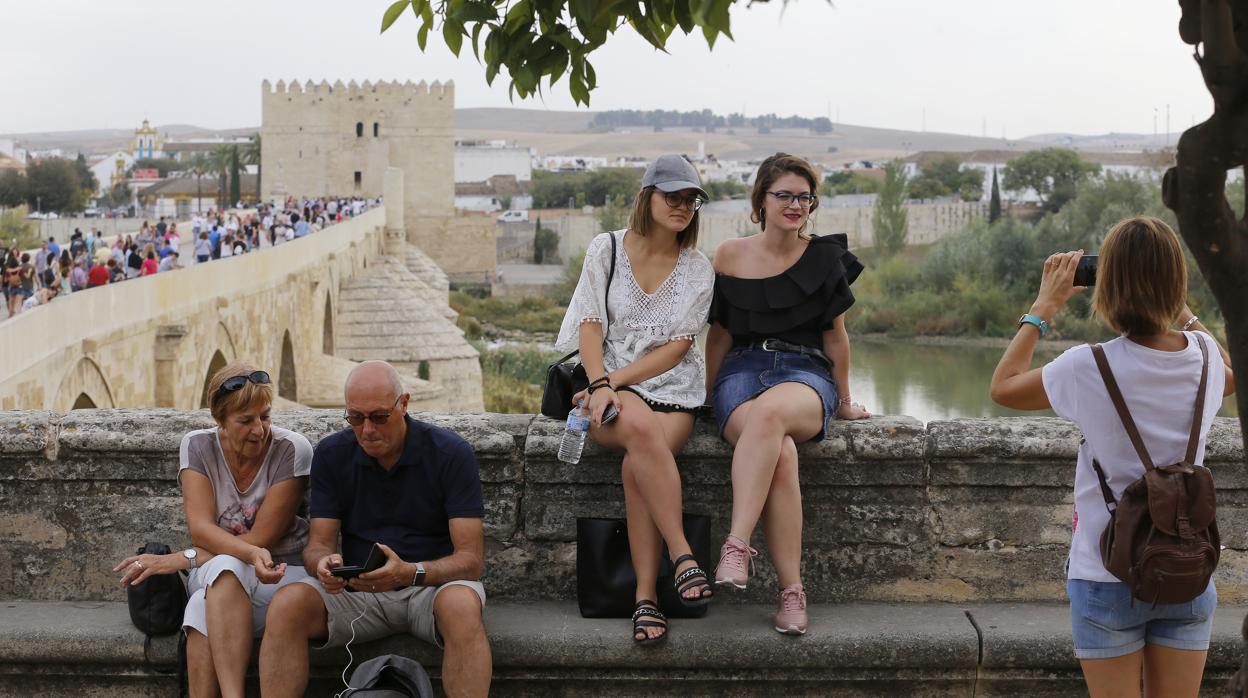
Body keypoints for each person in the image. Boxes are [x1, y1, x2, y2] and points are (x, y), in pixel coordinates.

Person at [989, 216, 1235, 698]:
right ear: (1176, 280)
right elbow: (1232, 370)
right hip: (1186, 566)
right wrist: (1183, 312)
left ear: (1108, 284)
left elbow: (1003, 387)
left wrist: (1043, 306)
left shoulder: (1088, 365)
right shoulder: (1205, 356)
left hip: (1106, 572)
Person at [555, 154, 717, 644]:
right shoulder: (605, 250)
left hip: (672, 391)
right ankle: (683, 555)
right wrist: (602, 382)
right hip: (604, 387)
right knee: (641, 431)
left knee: (636, 463)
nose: (683, 207)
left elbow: (677, 349)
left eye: (691, 199)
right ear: (647, 198)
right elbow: (589, 324)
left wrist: (616, 380)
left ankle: (646, 598)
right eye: (673, 196)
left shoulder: (697, 269)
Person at [704, 153, 868, 636]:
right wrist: (711, 396)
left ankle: (736, 545)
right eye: (785, 195)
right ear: (761, 200)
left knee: (774, 413)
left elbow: (836, 337)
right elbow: (718, 336)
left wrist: (842, 399)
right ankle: (792, 594)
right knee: (783, 455)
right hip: (741, 372)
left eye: (804, 197)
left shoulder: (825, 259)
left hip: (804, 373)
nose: (796, 205)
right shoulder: (731, 254)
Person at [260, 361, 491, 698]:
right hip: (359, 591)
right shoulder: (333, 453)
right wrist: (323, 565)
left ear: (405, 404)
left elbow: (471, 560)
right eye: (355, 418)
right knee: (287, 605)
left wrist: (409, 573)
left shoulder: (449, 453)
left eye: (379, 416)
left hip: (430, 586)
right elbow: (318, 545)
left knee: (462, 607)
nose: (367, 429)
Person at [113, 362, 312, 698]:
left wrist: (184, 559)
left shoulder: (291, 450)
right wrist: (204, 555)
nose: (259, 430)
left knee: (199, 605)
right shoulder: (198, 446)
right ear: (220, 420)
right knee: (226, 566)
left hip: (280, 574)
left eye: (265, 416)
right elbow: (202, 529)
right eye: (245, 420)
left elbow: (261, 540)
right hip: (220, 571)